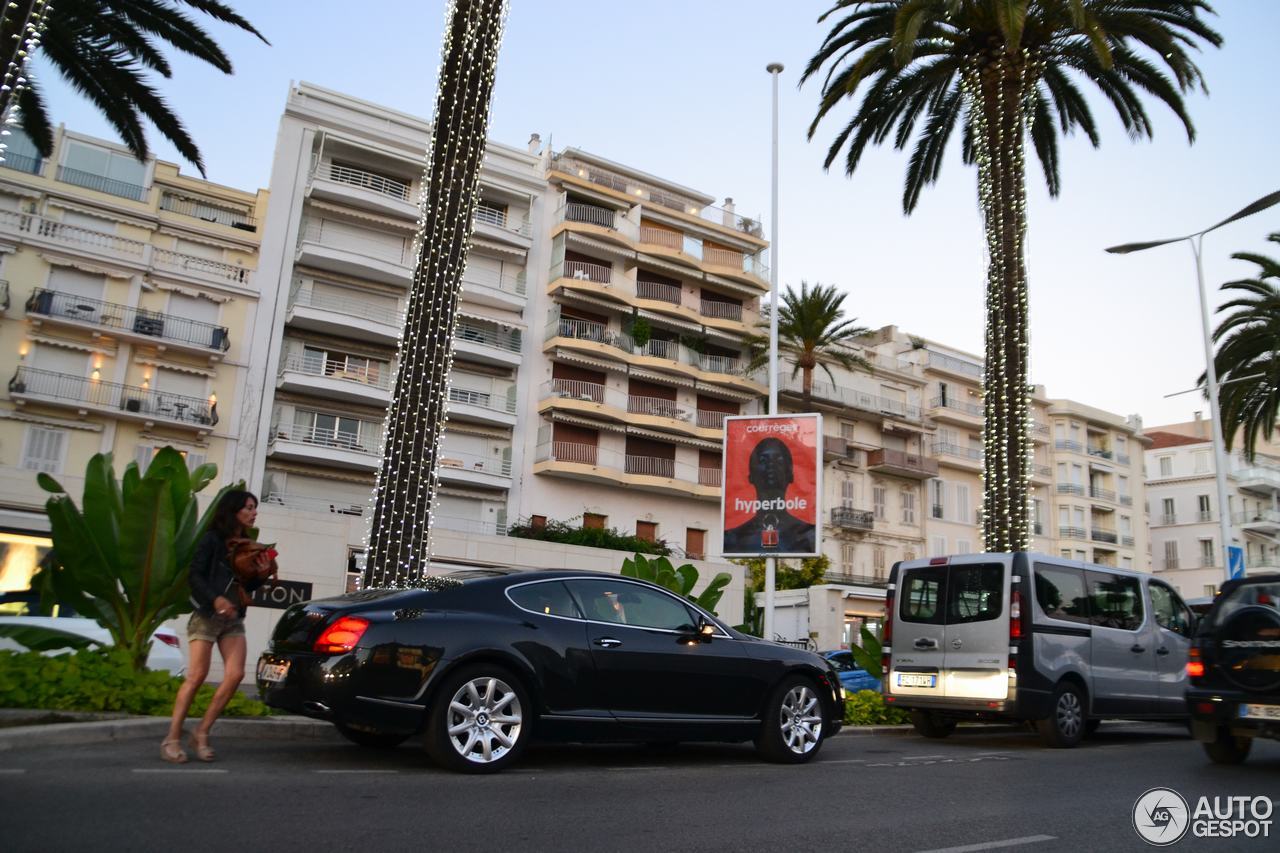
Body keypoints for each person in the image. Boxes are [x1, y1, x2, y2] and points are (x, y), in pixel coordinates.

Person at [161, 489, 272, 763]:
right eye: (248, 507)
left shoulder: (247, 544)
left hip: (233, 619)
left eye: (254, 508)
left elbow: (248, 586)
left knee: (235, 675)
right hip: (207, 616)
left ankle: (201, 732)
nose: (253, 512)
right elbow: (195, 576)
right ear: (233, 510)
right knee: (196, 676)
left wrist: (262, 573)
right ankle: (171, 738)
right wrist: (216, 599)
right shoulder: (212, 540)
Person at [723, 437, 816, 554]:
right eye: (763, 460)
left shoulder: (809, 535)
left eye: (779, 461)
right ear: (750, 476)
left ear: (790, 474)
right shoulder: (732, 538)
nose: (771, 465)